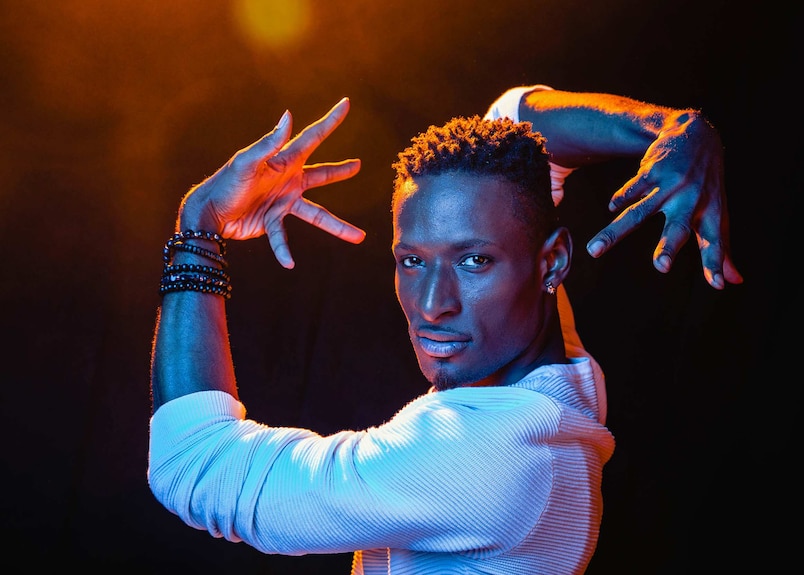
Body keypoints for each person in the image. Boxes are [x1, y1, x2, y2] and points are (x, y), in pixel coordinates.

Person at [148, 84, 742, 575]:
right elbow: (513, 121)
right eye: (412, 260)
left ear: (552, 263)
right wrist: (677, 128)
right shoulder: (563, 379)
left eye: (473, 261)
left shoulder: (481, 457)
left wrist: (200, 224)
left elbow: (193, 462)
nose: (432, 305)